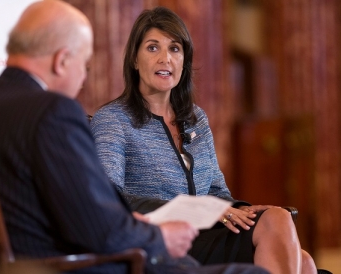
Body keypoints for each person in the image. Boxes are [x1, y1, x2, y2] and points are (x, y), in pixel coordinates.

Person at [0, 1, 269, 273]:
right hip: (78, 265)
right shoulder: (53, 112)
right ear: (62, 60)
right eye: (84, 66)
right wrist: (160, 237)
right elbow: (97, 227)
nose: (84, 78)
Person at [90, 6, 317, 274]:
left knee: (298, 252)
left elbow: (217, 193)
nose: (165, 58)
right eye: (153, 48)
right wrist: (193, 208)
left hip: (206, 233)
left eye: (174, 49)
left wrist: (237, 210)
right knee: (293, 251)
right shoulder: (113, 119)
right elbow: (109, 198)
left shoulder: (195, 118)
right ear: (135, 60)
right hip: (162, 241)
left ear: (184, 61)